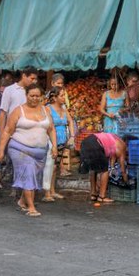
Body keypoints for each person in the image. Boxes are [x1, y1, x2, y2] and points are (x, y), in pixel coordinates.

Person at [0, 83, 57, 217]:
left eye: (37, 96)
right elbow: (7, 131)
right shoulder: (18, 111)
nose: (34, 98)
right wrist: (1, 150)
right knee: (28, 173)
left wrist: (55, 147)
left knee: (33, 177)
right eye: (31, 96)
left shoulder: (46, 110)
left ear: (41, 97)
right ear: (26, 95)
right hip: (19, 148)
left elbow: (51, 129)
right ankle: (31, 207)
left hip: (40, 151)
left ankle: (22, 201)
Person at [0, 70, 35, 201]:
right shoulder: (10, 90)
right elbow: (3, 112)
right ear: (24, 76)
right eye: (31, 78)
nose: (33, 81)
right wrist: (3, 132)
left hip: (23, 133)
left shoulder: (31, 93)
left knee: (18, 162)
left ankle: (16, 190)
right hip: (8, 131)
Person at [44, 74, 76, 203]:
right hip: (51, 141)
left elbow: (70, 121)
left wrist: (72, 136)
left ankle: (52, 190)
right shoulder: (48, 109)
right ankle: (46, 192)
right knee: (49, 167)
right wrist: (54, 144)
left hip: (62, 140)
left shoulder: (63, 108)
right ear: (55, 97)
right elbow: (49, 127)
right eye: (62, 96)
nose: (64, 98)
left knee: (55, 167)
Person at [78, 131, 128, 205]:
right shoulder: (122, 145)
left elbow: (112, 159)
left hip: (85, 142)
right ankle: (102, 197)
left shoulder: (113, 139)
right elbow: (122, 167)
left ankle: (93, 194)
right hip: (96, 144)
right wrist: (126, 180)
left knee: (93, 169)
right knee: (105, 171)